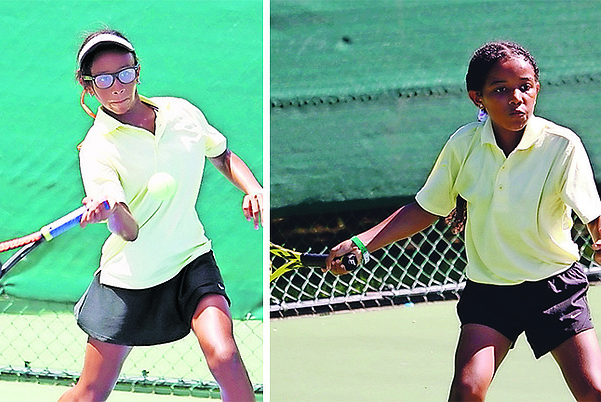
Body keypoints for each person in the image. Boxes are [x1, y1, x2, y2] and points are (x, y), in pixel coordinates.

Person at [326, 41, 601, 401]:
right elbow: (426, 207)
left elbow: (594, 216)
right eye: (500, 90)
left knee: (594, 389)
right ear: (478, 98)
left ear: (537, 89)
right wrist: (361, 242)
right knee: (468, 389)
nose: (516, 98)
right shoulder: (463, 146)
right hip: (489, 291)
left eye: (525, 86)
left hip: (555, 289)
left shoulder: (562, 145)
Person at [58, 29, 262, 402]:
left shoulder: (181, 113)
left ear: (138, 70)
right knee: (90, 393)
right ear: (88, 87)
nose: (116, 86)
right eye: (103, 79)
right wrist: (111, 211)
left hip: (189, 258)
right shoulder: (98, 149)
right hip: (129, 277)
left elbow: (221, 154)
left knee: (225, 356)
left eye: (124, 73)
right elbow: (129, 231)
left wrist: (253, 189)